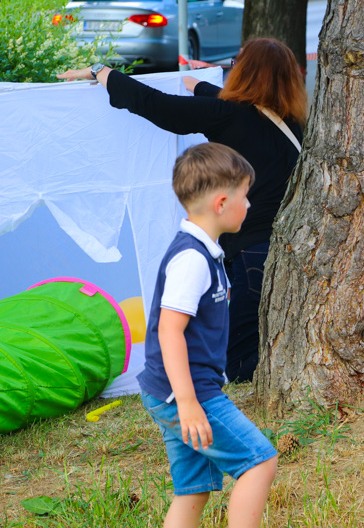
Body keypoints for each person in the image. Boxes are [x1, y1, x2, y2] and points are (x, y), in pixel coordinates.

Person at [57, 38, 307, 383]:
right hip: (289, 251)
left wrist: (103, 72)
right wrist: (197, 83)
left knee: (241, 365)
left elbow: (157, 106)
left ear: (245, 73)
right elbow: (233, 107)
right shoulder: (291, 124)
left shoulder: (230, 117)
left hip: (252, 256)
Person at [136, 142, 277, 528]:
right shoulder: (191, 259)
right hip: (186, 392)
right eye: (245, 196)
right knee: (260, 461)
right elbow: (169, 330)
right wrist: (187, 402)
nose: (249, 206)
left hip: (175, 390)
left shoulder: (205, 252)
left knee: (193, 488)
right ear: (220, 203)